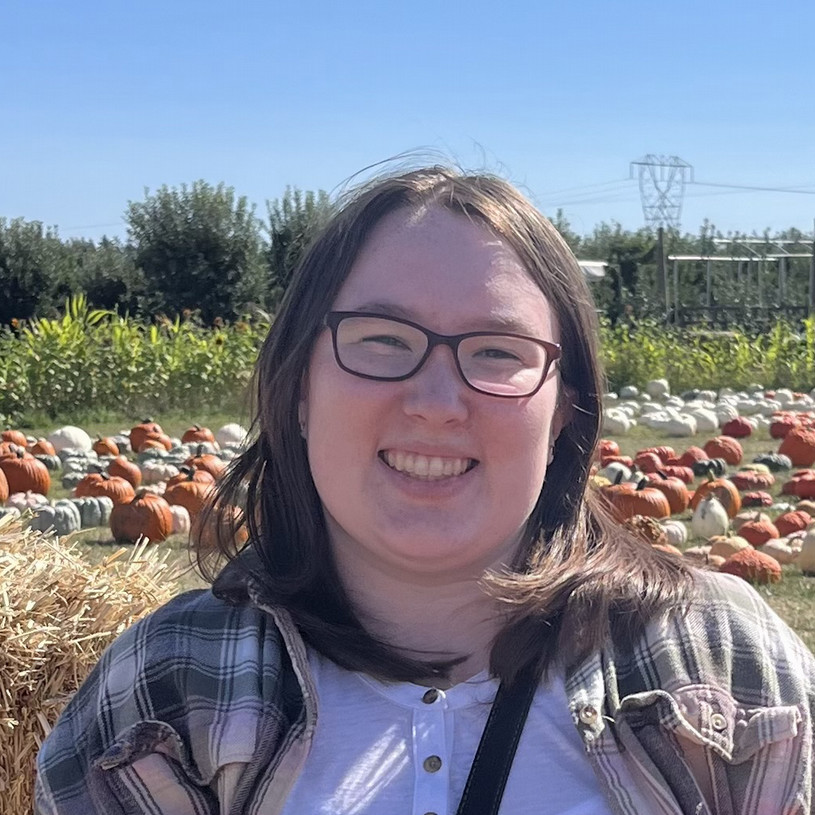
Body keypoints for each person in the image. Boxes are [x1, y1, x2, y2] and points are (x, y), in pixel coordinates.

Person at [36, 166, 815, 815]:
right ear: (299, 388)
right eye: (381, 339)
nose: (437, 403)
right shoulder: (162, 686)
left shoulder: (722, 659)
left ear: (561, 412)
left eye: (497, 351)